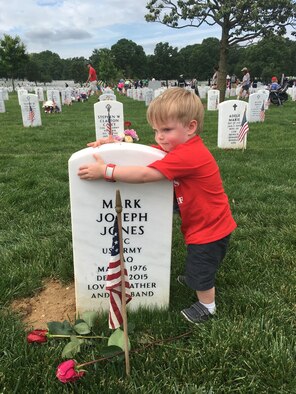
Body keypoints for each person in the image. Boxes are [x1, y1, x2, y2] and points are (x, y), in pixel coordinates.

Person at [78, 88, 237, 325]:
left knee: (202, 267)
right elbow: (151, 152)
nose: (159, 137)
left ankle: (207, 306)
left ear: (190, 127)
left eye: (166, 130)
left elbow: (144, 173)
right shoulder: (181, 148)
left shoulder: (189, 155)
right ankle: (196, 275)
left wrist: (107, 171)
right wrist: (116, 145)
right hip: (204, 220)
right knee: (199, 261)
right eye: (155, 130)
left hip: (209, 228)